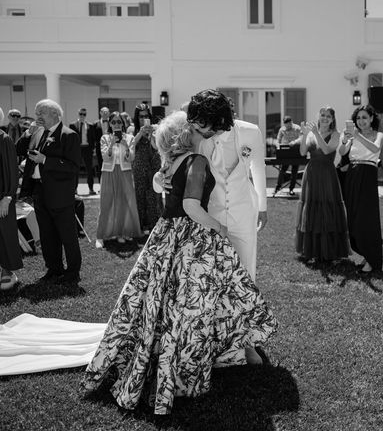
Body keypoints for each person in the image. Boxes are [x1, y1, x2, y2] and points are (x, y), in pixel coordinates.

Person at [81, 111, 277, 415]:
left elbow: (161, 190)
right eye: (194, 128)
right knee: (192, 300)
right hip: (190, 238)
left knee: (160, 297)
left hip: (164, 235)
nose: (200, 132)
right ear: (185, 135)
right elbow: (190, 206)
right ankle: (195, 361)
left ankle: (174, 350)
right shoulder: (196, 162)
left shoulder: (169, 163)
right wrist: (218, 226)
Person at [159, 89, 267, 280]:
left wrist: (262, 208)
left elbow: (258, 169)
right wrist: (158, 179)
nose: (197, 129)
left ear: (219, 121)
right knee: (212, 277)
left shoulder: (251, 132)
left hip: (243, 213)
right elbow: (172, 164)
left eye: (202, 125)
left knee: (246, 273)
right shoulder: (196, 137)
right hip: (209, 217)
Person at [20, 99, 82, 285]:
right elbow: (18, 149)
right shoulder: (37, 133)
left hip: (60, 193)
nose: (38, 116)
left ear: (55, 114)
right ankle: (53, 269)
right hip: (40, 191)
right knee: (47, 234)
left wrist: (45, 160)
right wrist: (28, 132)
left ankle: (72, 273)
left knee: (67, 235)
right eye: (37, 112)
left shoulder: (69, 135)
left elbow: (73, 167)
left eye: (42, 113)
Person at [296, 106, 349, 261]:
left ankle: (331, 250)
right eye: (322, 115)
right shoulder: (312, 133)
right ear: (318, 116)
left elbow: (326, 150)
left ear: (332, 119)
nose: (325, 118)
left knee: (327, 207)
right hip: (311, 172)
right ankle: (311, 249)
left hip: (327, 174)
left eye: (328, 116)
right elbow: (302, 152)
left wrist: (316, 133)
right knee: (311, 207)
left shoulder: (335, 134)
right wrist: (305, 136)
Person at [338, 105, 383, 273]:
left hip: (367, 175)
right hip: (352, 175)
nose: (361, 121)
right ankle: (365, 253)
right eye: (358, 118)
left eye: (364, 117)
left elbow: (375, 149)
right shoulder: (352, 135)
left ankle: (373, 259)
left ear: (371, 118)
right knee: (353, 216)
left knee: (367, 218)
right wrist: (345, 139)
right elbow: (342, 151)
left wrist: (358, 136)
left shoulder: (378, 134)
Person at [95, 111, 142, 248]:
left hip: (125, 172)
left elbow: (131, 158)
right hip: (109, 172)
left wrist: (124, 144)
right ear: (109, 123)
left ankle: (121, 233)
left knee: (123, 203)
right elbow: (105, 157)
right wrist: (112, 143)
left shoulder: (129, 138)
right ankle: (101, 236)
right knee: (106, 203)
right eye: (114, 122)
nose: (116, 124)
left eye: (119, 122)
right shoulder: (105, 137)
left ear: (123, 123)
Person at [131, 103, 163, 234]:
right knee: (140, 194)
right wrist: (140, 133)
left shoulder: (155, 129)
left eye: (146, 116)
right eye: (140, 116)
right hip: (139, 164)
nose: (143, 118)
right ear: (136, 117)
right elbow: (131, 145)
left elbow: (157, 148)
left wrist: (151, 136)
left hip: (154, 163)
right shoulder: (131, 130)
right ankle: (142, 224)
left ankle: (155, 223)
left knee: (154, 194)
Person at [0, 108, 23, 291]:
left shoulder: (5, 139)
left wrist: (8, 197)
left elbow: (12, 171)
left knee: (5, 234)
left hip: (2, 197)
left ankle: (7, 271)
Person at [69, 107, 97, 195]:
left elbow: (93, 138)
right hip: (77, 149)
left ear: (86, 115)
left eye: (84, 114)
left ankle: (91, 188)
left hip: (87, 149)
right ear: (78, 114)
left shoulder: (90, 125)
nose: (82, 116)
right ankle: (74, 189)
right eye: (81, 114)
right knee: (75, 169)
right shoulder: (73, 125)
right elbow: (71, 139)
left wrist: (92, 148)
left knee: (89, 169)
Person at [273, 115, 302, 196]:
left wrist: (295, 142)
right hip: (286, 151)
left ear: (291, 122)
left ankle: (291, 189)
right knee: (283, 170)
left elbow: (301, 138)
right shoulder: (282, 129)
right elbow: (278, 140)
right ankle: (277, 187)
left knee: (294, 171)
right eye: (286, 125)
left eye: (289, 124)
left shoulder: (297, 128)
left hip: (296, 151)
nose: (287, 126)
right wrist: (278, 145)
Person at [94, 107, 111, 180]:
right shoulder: (95, 123)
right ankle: (101, 185)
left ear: (109, 113)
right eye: (104, 112)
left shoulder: (112, 122)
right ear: (100, 113)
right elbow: (93, 137)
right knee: (100, 165)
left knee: (110, 164)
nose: (105, 114)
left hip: (111, 146)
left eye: (106, 112)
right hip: (99, 148)